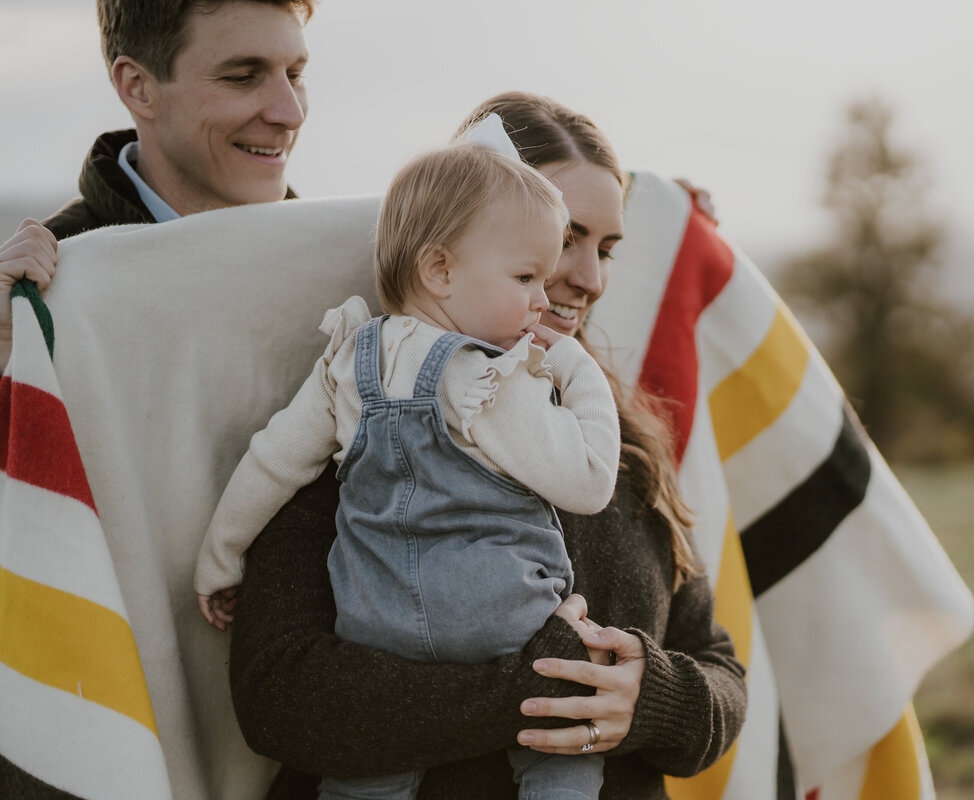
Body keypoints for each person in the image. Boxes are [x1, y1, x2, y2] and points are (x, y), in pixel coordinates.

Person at [226, 92, 747, 800]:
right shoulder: (374, 412)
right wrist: (540, 688)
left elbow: (718, 669)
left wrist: (650, 698)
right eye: (567, 238)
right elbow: (280, 694)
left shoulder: (624, 444)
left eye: (607, 248)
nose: (589, 278)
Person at [194, 130, 625, 800]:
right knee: (561, 752)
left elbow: (272, 462)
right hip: (501, 620)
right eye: (525, 277)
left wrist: (220, 559)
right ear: (440, 270)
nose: (542, 300)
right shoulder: (487, 383)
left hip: (375, 626)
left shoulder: (349, 360)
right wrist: (574, 364)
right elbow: (592, 481)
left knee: (368, 775)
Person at [0, 0, 312, 370]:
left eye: (294, 75)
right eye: (242, 77)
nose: (290, 114)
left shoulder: (344, 265)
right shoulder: (36, 292)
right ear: (139, 87)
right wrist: (4, 353)